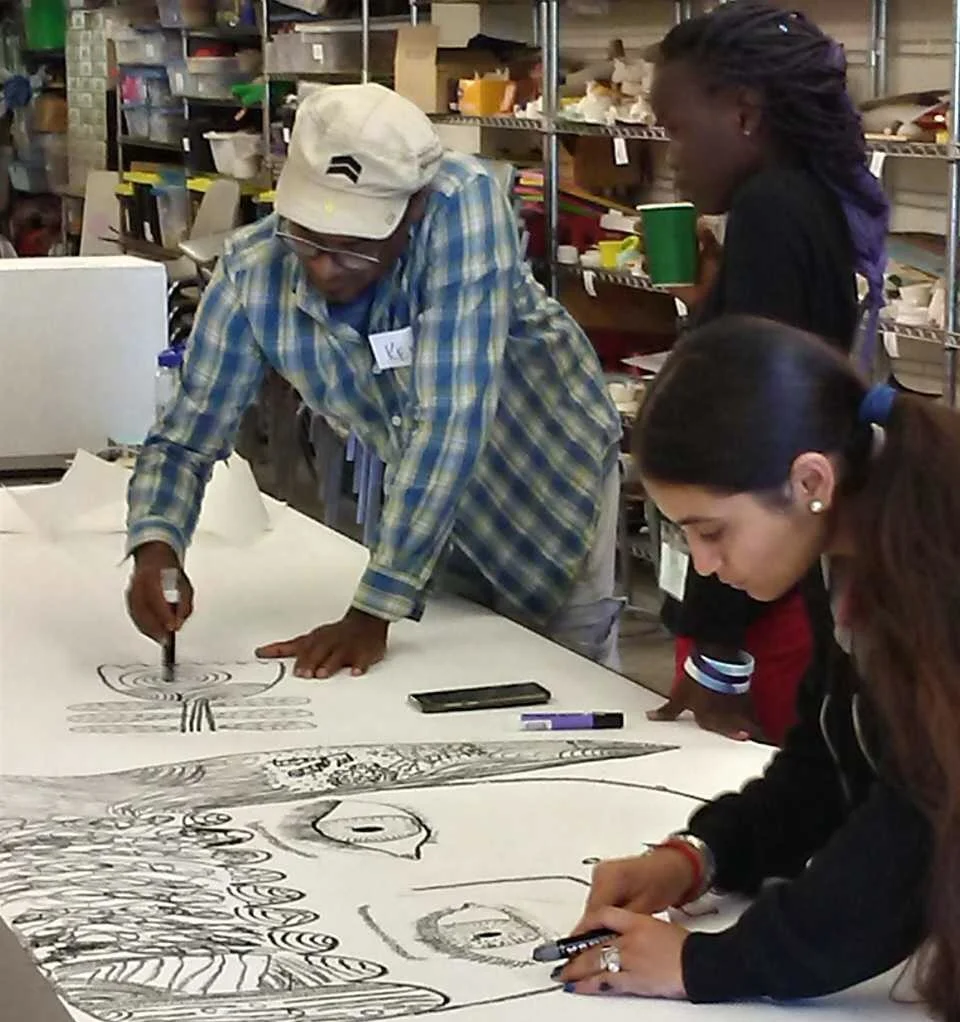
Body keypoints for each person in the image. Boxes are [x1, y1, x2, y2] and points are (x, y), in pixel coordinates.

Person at [124, 83, 624, 674]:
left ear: (410, 213)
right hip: (433, 512)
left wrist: (372, 611)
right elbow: (186, 436)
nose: (323, 269)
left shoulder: (462, 206)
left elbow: (450, 420)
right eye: (305, 240)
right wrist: (156, 544)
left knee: (569, 679)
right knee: (464, 672)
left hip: (547, 483)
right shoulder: (252, 271)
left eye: (353, 248)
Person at [556, 316, 960, 1017]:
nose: (705, 566)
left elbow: (914, 832)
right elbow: (827, 770)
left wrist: (708, 962)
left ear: (810, 480)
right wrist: (698, 856)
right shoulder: (843, 550)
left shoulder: (938, 577)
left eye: (712, 532)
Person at [644, 0, 889, 744]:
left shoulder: (771, 211)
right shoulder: (801, 201)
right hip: (767, 572)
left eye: (678, 131)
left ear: (745, 113)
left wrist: (718, 657)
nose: (675, 158)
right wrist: (713, 302)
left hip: (755, 599)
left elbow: (747, 440)